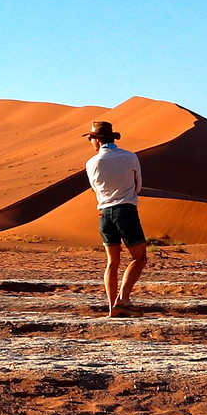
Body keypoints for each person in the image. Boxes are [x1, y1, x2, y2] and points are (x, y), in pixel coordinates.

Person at [82, 121, 147, 317]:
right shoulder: (130, 157)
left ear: (98, 139)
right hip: (125, 211)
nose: (90, 141)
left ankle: (113, 308)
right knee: (140, 257)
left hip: (104, 214)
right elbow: (138, 186)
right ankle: (123, 299)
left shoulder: (91, 163)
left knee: (112, 262)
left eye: (91, 138)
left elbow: (95, 189)